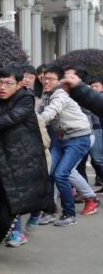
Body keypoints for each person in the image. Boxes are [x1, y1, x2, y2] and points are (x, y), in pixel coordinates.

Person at [0, 68, 52, 269]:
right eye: (0, 83)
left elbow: (7, 120)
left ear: (19, 84)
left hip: (19, 171)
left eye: (8, 83)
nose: (3, 87)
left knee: (5, 218)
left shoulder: (25, 101)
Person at [39, 65, 94, 225]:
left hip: (78, 138)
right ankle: (50, 211)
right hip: (61, 139)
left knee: (61, 174)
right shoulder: (46, 94)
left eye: (51, 79)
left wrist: (37, 121)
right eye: (45, 78)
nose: (47, 82)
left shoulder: (60, 95)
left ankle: (69, 214)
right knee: (49, 172)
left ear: (60, 81)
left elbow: (49, 112)